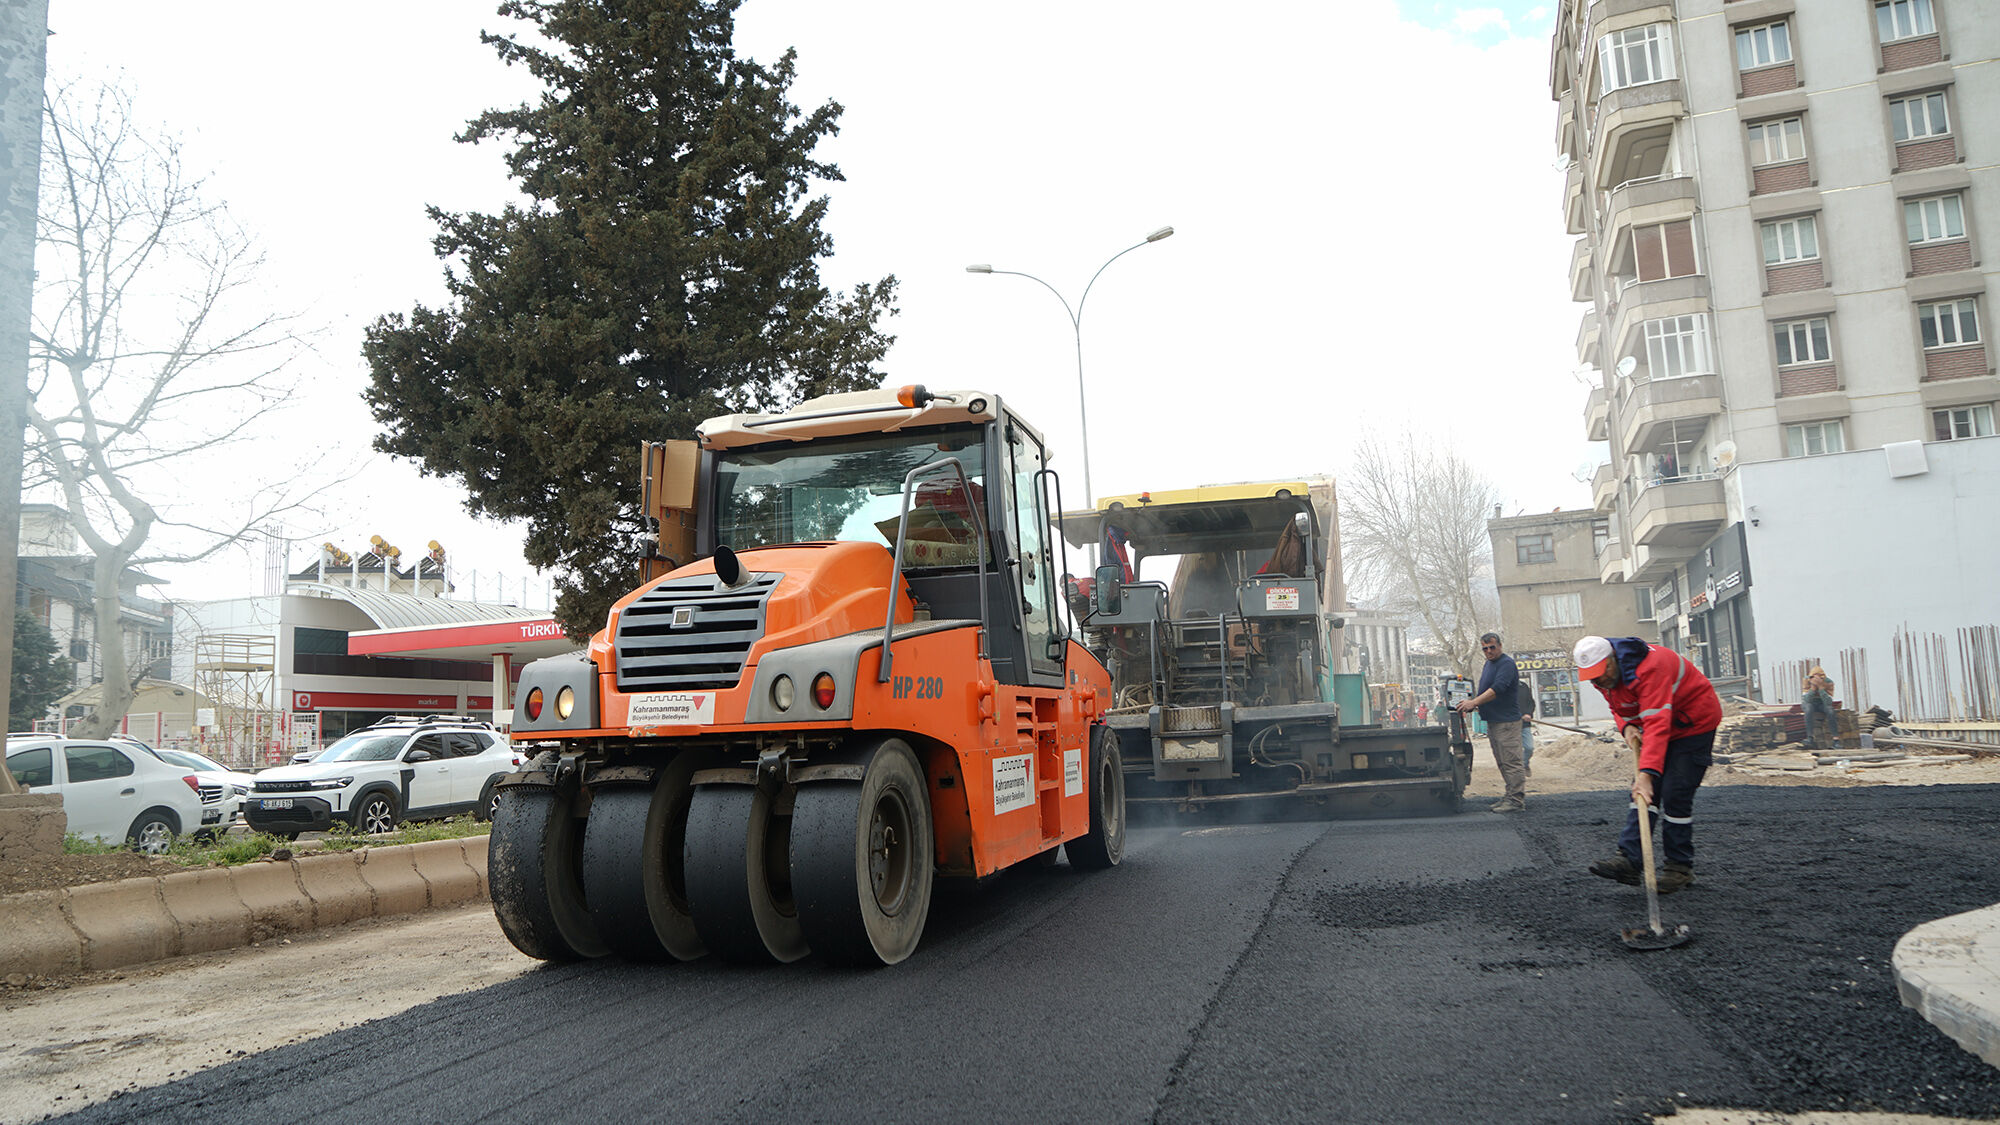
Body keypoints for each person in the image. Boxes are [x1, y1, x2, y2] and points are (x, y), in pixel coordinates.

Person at [1577, 635, 1723, 894]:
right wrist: (1627, 726)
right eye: (1592, 676)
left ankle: (1679, 868)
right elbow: (1619, 707)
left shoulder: (1651, 668)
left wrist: (1646, 774)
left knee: (1675, 792)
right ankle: (1630, 860)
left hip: (1693, 725)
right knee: (1642, 794)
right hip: (1660, 725)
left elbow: (1657, 723)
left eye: (1601, 672)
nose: (1598, 680)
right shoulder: (1604, 677)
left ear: (1613, 659)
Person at [1456, 632, 1525, 813]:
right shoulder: (1489, 664)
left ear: (1500, 646)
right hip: (1494, 721)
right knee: (1502, 762)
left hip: (1506, 722)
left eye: (1492, 647)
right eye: (1485, 649)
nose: (1488, 651)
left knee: (1511, 762)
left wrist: (1474, 702)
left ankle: (1516, 800)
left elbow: (1498, 688)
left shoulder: (1506, 664)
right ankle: (1510, 795)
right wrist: (1474, 704)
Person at [1802, 666, 1840, 751]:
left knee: (1830, 711)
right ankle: (1810, 737)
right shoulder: (1806, 681)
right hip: (1810, 703)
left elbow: (1828, 702)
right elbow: (1806, 699)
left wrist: (1821, 688)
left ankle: (1836, 740)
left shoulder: (1829, 682)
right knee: (1808, 709)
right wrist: (1813, 689)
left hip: (1822, 703)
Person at [1517, 678, 1536, 777]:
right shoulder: (1502, 687)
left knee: (1529, 747)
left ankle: (1525, 764)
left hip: (1525, 724)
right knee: (1514, 750)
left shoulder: (1523, 686)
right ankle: (1516, 772)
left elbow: (1531, 703)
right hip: (1509, 725)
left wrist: (1528, 714)